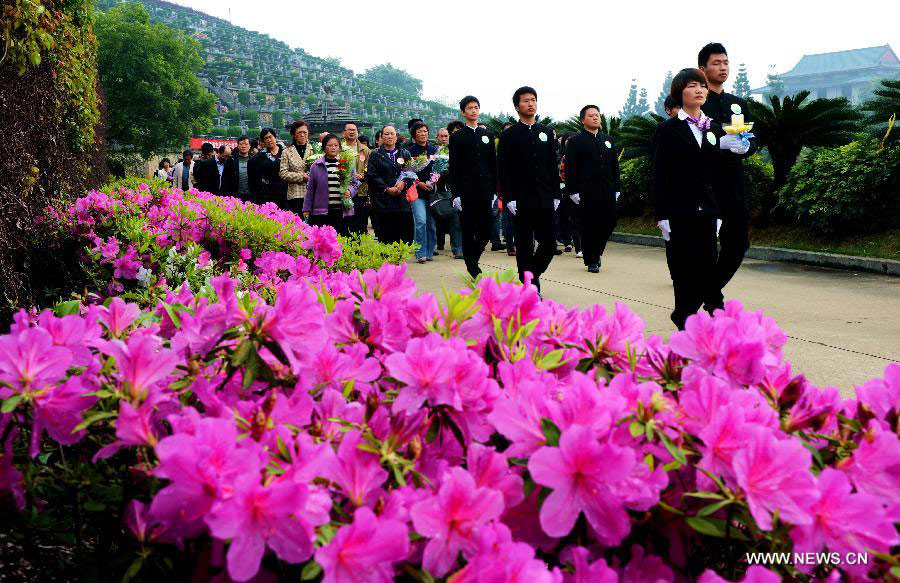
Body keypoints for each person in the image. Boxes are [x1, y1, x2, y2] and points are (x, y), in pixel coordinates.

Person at [652, 68, 733, 330]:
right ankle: (685, 321)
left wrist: (719, 212)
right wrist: (661, 215)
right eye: (692, 86)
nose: (699, 90)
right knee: (683, 271)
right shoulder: (668, 130)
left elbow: (717, 173)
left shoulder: (713, 129)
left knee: (708, 268)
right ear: (679, 92)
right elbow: (659, 174)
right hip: (679, 211)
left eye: (702, 86)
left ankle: (714, 317)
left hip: (708, 211)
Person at [698, 42, 755, 313]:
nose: (723, 68)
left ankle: (704, 291)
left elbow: (751, 139)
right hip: (704, 184)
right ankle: (713, 301)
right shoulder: (696, 101)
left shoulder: (737, 104)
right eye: (716, 63)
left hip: (733, 183)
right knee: (707, 248)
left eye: (725, 63)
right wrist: (715, 145)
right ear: (702, 68)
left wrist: (747, 147)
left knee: (738, 244)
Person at [497, 86, 560, 293]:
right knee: (524, 246)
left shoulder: (546, 132)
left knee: (550, 244)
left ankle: (530, 276)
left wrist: (556, 194)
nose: (530, 103)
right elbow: (503, 169)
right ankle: (531, 288)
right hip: (521, 199)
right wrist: (509, 198)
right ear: (517, 106)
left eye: (533, 100)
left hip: (545, 197)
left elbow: (552, 164)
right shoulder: (509, 135)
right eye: (526, 100)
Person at [565, 105, 621, 273]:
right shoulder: (576, 142)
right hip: (587, 192)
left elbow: (614, 166)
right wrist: (573, 191)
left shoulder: (608, 140)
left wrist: (616, 187)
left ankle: (597, 252)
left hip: (607, 190)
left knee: (610, 222)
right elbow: (570, 168)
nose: (596, 118)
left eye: (597, 115)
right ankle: (592, 260)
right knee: (589, 226)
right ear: (583, 120)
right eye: (591, 115)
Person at [448, 95, 497, 278]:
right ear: (463, 112)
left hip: (486, 190)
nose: (473, 110)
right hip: (466, 192)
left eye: (476, 107)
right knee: (468, 229)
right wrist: (456, 194)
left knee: (485, 230)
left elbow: (493, 163)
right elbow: (454, 167)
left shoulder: (487, 135)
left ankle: (473, 258)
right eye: (470, 108)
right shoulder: (458, 137)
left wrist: (494, 191)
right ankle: (472, 267)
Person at [365, 125, 414, 244]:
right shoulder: (375, 154)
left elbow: (411, 173)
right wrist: (386, 189)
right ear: (381, 137)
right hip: (383, 201)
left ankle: (399, 261)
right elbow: (372, 175)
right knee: (386, 235)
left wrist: (404, 183)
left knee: (402, 236)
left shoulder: (405, 153)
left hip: (401, 201)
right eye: (386, 134)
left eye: (392, 133)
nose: (390, 136)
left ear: (396, 137)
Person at [303, 133, 359, 234]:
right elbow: (310, 189)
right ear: (324, 147)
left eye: (336, 145)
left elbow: (355, 184)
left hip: (342, 210)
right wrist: (306, 208)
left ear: (340, 147)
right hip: (322, 212)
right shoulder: (316, 166)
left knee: (341, 240)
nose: (333, 148)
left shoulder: (345, 164)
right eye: (329, 145)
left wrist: (350, 191)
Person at [406, 121, 438, 263]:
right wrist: (419, 183)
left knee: (431, 224)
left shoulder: (434, 150)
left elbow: (439, 168)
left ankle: (429, 251)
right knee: (420, 221)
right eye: (419, 131)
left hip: (432, 192)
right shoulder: (408, 152)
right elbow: (407, 172)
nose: (423, 134)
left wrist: (432, 182)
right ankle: (420, 253)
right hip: (417, 192)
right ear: (414, 135)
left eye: (425, 131)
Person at [341, 122, 371, 235]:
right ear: (344, 132)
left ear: (357, 132)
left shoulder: (365, 150)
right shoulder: (338, 147)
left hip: (360, 190)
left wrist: (363, 175)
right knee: (344, 221)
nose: (352, 132)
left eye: (354, 130)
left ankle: (357, 249)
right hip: (342, 191)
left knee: (358, 222)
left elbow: (370, 167)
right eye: (349, 130)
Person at [280, 120, 311, 214]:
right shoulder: (287, 152)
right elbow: (283, 173)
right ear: (294, 135)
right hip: (295, 194)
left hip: (312, 193)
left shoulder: (314, 149)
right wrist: (302, 177)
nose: (302, 135)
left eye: (305, 132)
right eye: (299, 132)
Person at [251, 128, 287, 206]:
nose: (269, 140)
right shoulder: (259, 156)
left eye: (270, 137)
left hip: (284, 192)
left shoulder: (286, 152)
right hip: (267, 194)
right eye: (266, 138)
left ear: (275, 137)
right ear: (263, 141)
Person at [222, 135, 252, 199]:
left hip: (250, 195)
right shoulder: (231, 160)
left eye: (246, 144)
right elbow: (225, 179)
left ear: (250, 146)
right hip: (235, 196)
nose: (243, 146)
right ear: (238, 146)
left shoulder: (253, 160)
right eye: (241, 144)